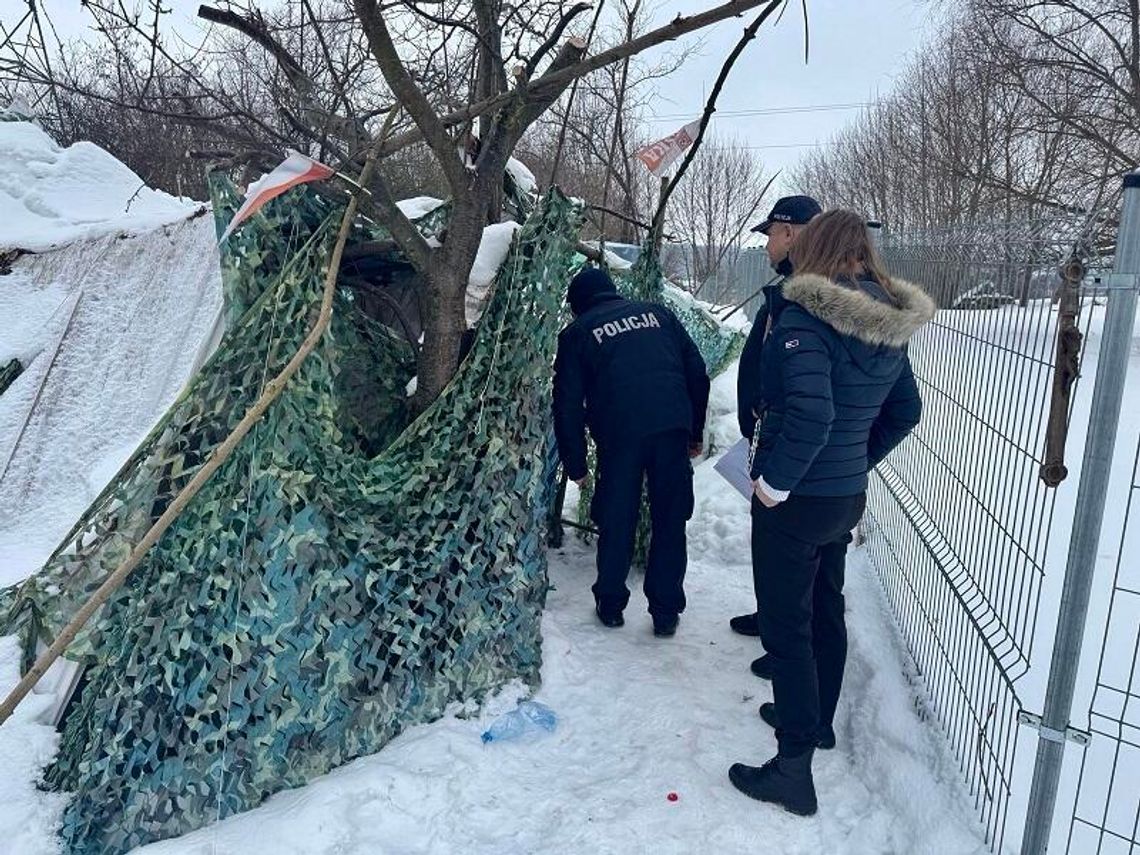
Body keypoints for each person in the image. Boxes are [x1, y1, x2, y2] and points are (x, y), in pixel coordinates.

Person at [728, 210, 934, 816]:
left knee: (787, 627)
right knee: (825, 606)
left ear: (812, 247)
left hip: (796, 501)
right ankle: (815, 720)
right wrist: (854, 463)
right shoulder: (887, 322)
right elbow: (906, 411)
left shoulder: (805, 316)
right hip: (843, 498)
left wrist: (773, 485)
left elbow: (813, 416)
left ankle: (792, 769)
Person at [552, 267, 710, 637]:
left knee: (617, 518)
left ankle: (610, 604)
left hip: (620, 435)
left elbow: (568, 403)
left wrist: (575, 463)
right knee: (671, 520)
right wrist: (694, 431)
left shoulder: (577, 333)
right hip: (671, 427)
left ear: (578, 306)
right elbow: (696, 372)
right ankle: (666, 611)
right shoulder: (659, 314)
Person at [730, 195, 822, 664]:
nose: (766, 246)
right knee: (771, 551)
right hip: (775, 440)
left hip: (794, 453)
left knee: (792, 559)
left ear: (789, 233)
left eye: (769, 235)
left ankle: (787, 651)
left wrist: (781, 468)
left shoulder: (813, 295)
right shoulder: (791, 288)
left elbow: (811, 398)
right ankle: (773, 620)